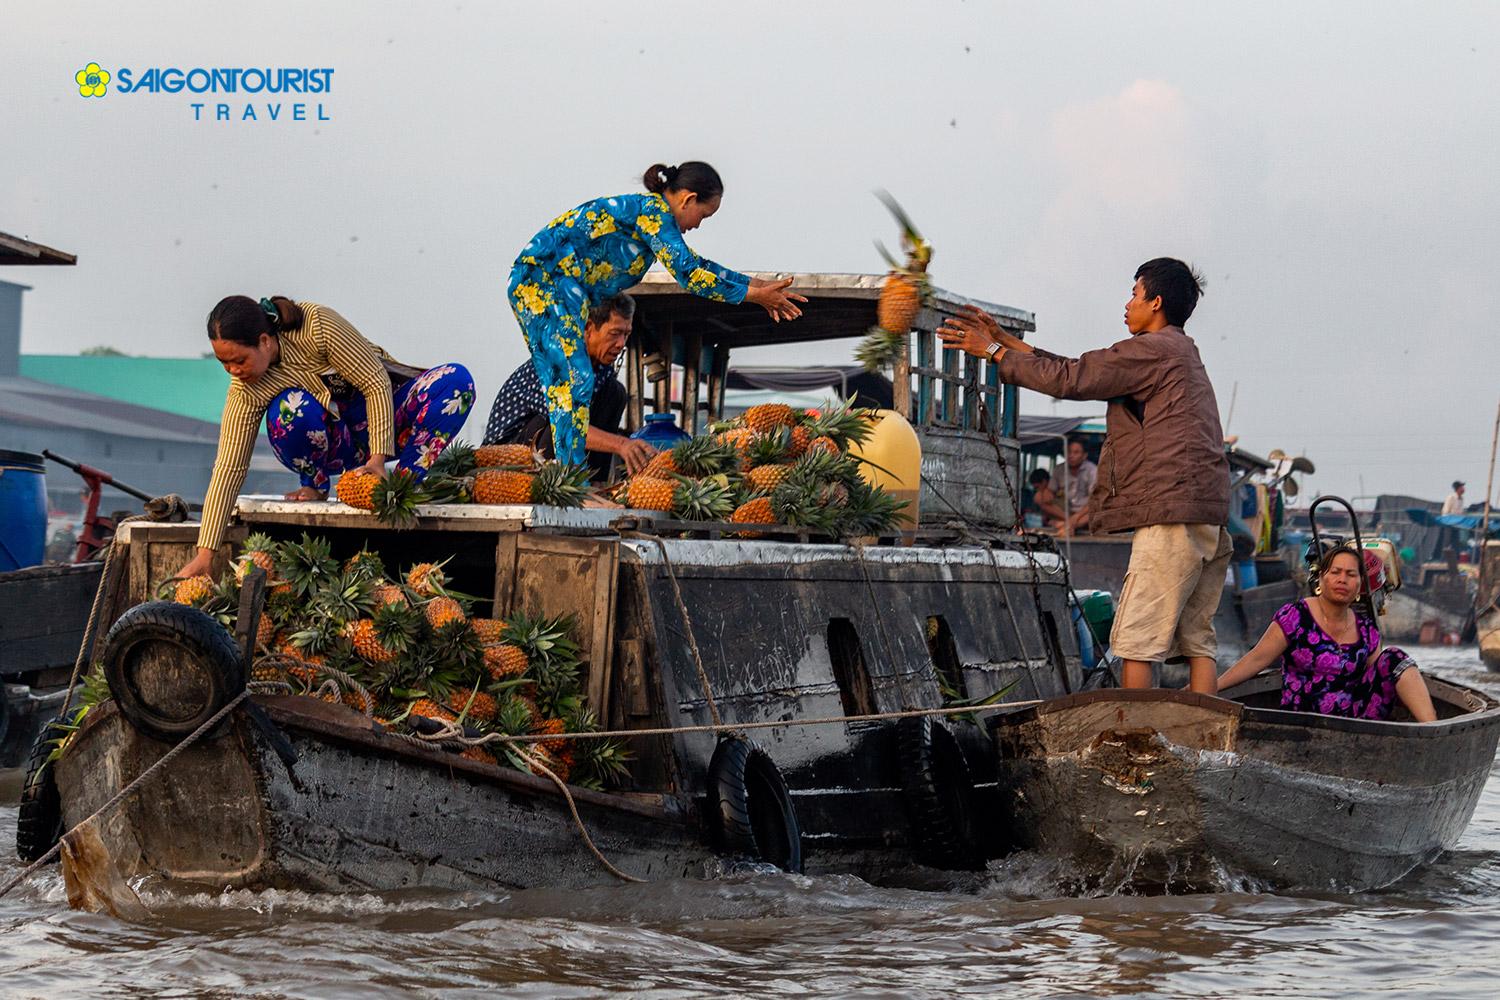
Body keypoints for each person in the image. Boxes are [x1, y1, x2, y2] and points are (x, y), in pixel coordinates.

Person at [938, 258, 1230, 695]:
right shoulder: (1179, 351)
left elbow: (1074, 379)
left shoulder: (1152, 350)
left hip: (1172, 516)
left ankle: (1137, 736)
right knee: (1196, 640)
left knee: (1136, 639)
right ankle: (1208, 740)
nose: (1127, 304)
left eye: (1134, 293)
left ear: (1156, 301)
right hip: (1205, 515)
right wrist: (1003, 341)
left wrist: (996, 353)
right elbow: (1077, 369)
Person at [508, 161, 807, 468]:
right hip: (542, 281)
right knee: (574, 380)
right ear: (688, 199)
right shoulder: (652, 213)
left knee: (578, 383)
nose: (698, 225)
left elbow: (698, 264)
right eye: (703, 215)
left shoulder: (652, 219)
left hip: (555, 286)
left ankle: (574, 477)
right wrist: (755, 297)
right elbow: (689, 274)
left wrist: (758, 286)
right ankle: (571, 478)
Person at [176, 296, 474, 579]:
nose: (234, 371)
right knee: (290, 409)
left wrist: (377, 460)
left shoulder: (315, 325)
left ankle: (402, 485)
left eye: (239, 360)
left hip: (387, 419)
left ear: (264, 341)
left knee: (456, 382)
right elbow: (229, 467)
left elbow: (375, 381)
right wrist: (205, 554)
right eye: (224, 364)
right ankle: (315, 483)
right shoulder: (245, 391)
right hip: (337, 442)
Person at [1215, 546, 1437, 722]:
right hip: (1302, 719)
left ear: (1360, 584)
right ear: (1321, 578)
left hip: (1355, 722)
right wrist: (1211, 687)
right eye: (1335, 572)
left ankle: (1432, 731)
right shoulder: (1296, 615)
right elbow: (1256, 659)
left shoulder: (1367, 629)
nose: (1342, 580)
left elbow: (1377, 678)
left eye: (1351, 574)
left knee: (1395, 658)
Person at [483, 293, 656, 481]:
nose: (621, 344)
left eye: (626, 334)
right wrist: (622, 444)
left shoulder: (601, 370)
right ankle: (556, 483)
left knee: (615, 393)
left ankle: (595, 483)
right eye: (614, 334)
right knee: (557, 425)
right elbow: (567, 424)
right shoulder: (558, 360)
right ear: (589, 328)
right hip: (507, 459)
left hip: (557, 449)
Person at [1059, 438, 1097, 535]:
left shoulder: (1092, 470)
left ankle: (1068, 526)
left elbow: (1095, 499)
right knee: (1039, 497)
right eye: (1069, 452)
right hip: (1066, 513)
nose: (1071, 455)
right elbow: (1049, 492)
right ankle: (1068, 524)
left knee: (1097, 509)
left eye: (1076, 452)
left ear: (1084, 455)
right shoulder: (1059, 469)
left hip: (1085, 512)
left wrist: (1076, 516)